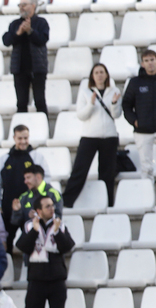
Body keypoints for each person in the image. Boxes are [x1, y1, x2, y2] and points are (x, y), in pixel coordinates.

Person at [64, 64, 123, 207]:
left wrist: (114, 103)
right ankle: (66, 201)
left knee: (107, 174)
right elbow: (81, 115)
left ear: (107, 75)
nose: (99, 75)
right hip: (89, 136)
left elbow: (117, 114)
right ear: (92, 76)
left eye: (102, 72)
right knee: (80, 170)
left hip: (109, 136)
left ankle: (108, 203)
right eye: (96, 72)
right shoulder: (85, 91)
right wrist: (91, 104)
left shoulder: (114, 91)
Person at [15, 196, 73, 308]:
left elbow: (67, 247)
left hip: (57, 279)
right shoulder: (30, 226)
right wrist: (35, 232)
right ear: (38, 211)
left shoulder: (59, 225)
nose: (52, 209)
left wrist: (57, 232)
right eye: (47, 206)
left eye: (52, 205)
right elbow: (23, 247)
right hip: (37, 279)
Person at [122, 49, 156, 180]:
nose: (150, 63)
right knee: (147, 169)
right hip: (142, 130)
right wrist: (134, 121)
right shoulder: (135, 82)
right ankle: (146, 199)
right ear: (142, 64)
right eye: (146, 61)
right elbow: (126, 105)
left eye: (152, 60)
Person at [0, 125, 41, 246]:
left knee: (32, 242)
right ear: (14, 138)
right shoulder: (4, 159)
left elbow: (45, 181)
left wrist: (40, 203)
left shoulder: (36, 157)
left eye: (26, 138)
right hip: (8, 208)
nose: (23, 141)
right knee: (5, 243)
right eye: (20, 138)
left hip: (30, 208)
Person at [3, 1, 50, 115]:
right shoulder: (14, 24)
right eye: (20, 5)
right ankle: (21, 130)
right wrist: (18, 32)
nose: (21, 8)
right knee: (21, 102)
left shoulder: (41, 22)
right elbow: (7, 41)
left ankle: (44, 128)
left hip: (37, 68)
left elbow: (42, 40)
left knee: (39, 101)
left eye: (24, 5)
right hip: (19, 68)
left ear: (33, 5)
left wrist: (30, 31)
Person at [10, 165, 63, 229]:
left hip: (48, 234)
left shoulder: (53, 193)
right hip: (29, 236)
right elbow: (15, 222)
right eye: (25, 178)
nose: (25, 181)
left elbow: (58, 217)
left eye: (28, 178)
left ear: (38, 177)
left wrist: (39, 216)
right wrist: (17, 211)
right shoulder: (23, 197)